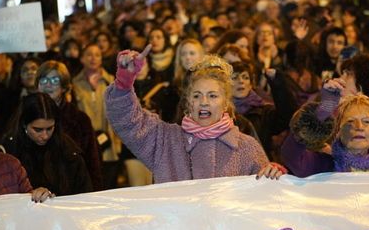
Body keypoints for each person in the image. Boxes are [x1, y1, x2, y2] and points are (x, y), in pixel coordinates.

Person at [105, 46, 284, 183]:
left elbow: (265, 202)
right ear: (189, 102)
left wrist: (275, 176)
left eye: (212, 95)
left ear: (225, 103)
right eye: (197, 95)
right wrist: (123, 83)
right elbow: (128, 121)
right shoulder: (165, 140)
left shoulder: (247, 147)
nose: (204, 101)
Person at [280, 90, 369, 176]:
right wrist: (324, 110)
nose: (359, 127)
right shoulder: (323, 165)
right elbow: (291, 156)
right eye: (350, 121)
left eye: (366, 121)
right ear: (338, 132)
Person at [2, 93, 93, 196]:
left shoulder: (69, 151)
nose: (45, 136)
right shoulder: (8, 152)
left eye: (50, 128)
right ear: (24, 125)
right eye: (38, 130)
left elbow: (84, 193)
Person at [37, 60, 103, 190]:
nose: (49, 85)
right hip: (37, 193)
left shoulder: (79, 119)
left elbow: (93, 161)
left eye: (55, 80)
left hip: (73, 190)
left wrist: (95, 194)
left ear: (64, 86)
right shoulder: (25, 114)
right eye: (44, 80)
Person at [72, 43, 120, 188]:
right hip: (86, 145)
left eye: (97, 55)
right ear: (82, 58)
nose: (93, 58)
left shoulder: (112, 81)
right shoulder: (74, 84)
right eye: (89, 54)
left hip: (110, 145)